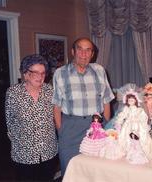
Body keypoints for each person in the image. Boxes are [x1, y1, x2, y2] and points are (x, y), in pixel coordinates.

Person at [52, 37, 115, 176]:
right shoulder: (60, 73)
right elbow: (56, 105)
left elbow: (106, 99)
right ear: (73, 52)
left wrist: (105, 124)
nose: (84, 54)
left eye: (88, 50)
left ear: (92, 54)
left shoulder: (99, 70)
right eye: (80, 49)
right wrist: (61, 130)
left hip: (96, 125)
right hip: (70, 128)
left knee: (96, 170)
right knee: (70, 170)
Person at [5, 54, 58, 181]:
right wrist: (21, 142)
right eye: (36, 73)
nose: (40, 77)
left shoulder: (50, 90)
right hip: (24, 153)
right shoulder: (13, 93)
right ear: (25, 73)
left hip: (48, 151)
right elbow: (10, 121)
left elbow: (55, 117)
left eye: (43, 73)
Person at [113, 84, 152, 161]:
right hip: (128, 124)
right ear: (127, 101)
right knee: (125, 136)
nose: (131, 101)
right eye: (129, 100)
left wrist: (143, 123)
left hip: (137, 125)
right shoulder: (126, 109)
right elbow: (122, 115)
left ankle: (139, 151)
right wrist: (118, 122)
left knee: (142, 137)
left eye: (132, 100)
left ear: (136, 101)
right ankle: (127, 150)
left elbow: (144, 117)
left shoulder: (139, 109)